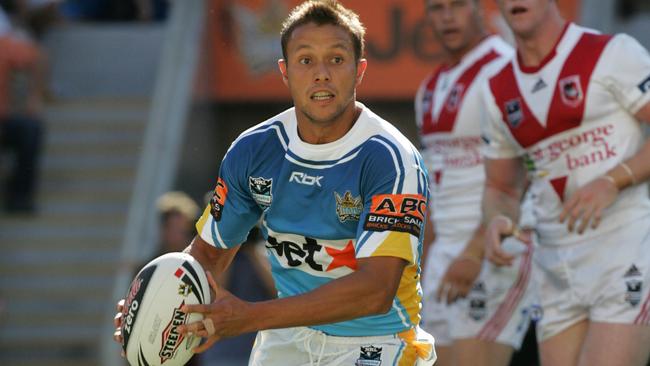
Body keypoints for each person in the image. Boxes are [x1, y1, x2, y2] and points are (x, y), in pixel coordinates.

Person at [114, 1, 437, 365]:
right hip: (286, 341)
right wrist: (155, 304)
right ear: (284, 72)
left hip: (377, 342)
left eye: (336, 59)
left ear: (359, 70)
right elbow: (207, 255)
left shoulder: (391, 158)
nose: (321, 74)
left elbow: (375, 291)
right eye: (305, 60)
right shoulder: (253, 150)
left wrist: (249, 317)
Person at [480, 0, 650, 365]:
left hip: (625, 250)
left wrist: (613, 180)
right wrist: (498, 219)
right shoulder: (497, 88)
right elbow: (501, 188)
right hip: (554, 266)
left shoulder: (611, 53)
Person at [415, 1, 535, 366]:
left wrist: (473, 251)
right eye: (436, 8)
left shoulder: (506, 66)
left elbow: (527, 168)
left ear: (480, 9)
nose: (447, 16)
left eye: (457, 5)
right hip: (444, 255)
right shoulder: (428, 89)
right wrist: (423, 260)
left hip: (496, 244)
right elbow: (434, 185)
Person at [0, 2, 45, 213]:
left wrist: (34, 97)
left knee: (31, 129)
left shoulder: (3, 46)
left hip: (3, 121)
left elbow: (37, 57)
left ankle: (19, 196)